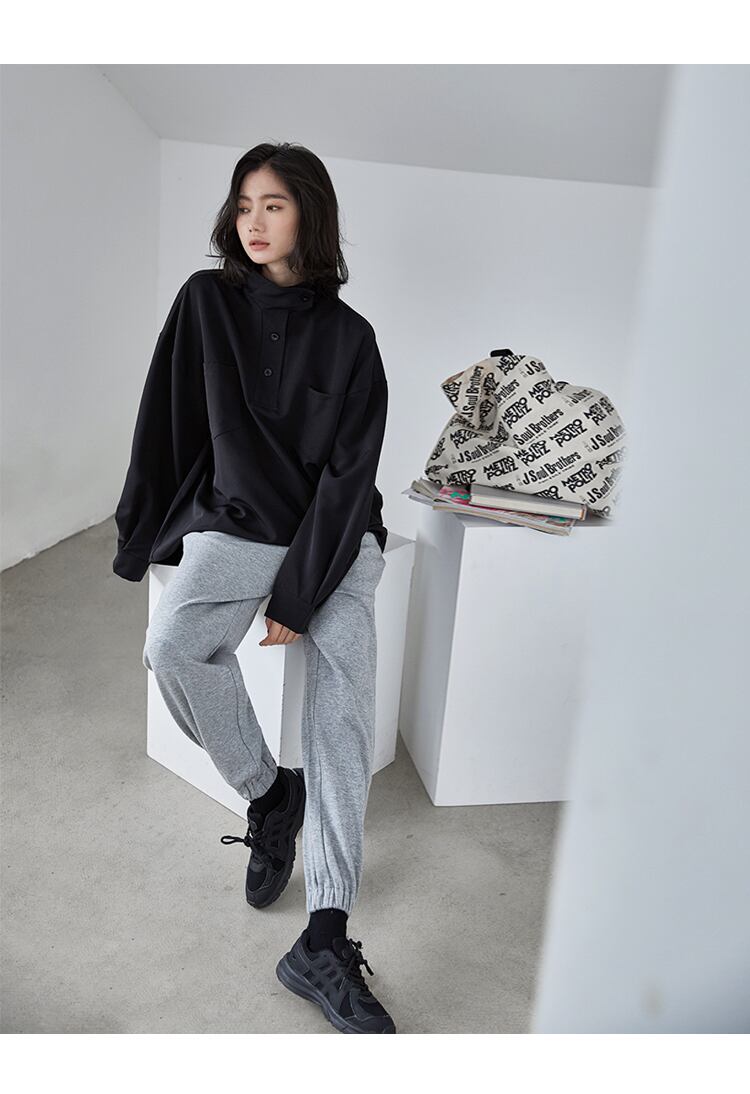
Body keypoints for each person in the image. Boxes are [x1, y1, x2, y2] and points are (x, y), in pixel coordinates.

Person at [113, 142, 395, 1034]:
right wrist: (141, 533)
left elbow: (350, 478)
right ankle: (272, 794)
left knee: (343, 707)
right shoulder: (206, 301)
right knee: (172, 647)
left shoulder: (352, 339)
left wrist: (300, 595)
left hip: (335, 538)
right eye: (243, 205)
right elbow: (163, 420)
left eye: (273, 204)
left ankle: (325, 935)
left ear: (310, 213)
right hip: (239, 520)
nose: (254, 222)